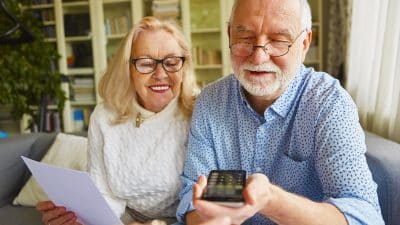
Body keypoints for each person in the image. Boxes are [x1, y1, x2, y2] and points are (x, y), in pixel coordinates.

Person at [176, 0, 385, 225]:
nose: (258, 57)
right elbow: (192, 199)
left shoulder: (329, 103)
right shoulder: (210, 101)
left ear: (304, 43)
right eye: (245, 38)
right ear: (229, 36)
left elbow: (365, 216)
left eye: (278, 41)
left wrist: (271, 200)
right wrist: (209, 217)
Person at [35, 16, 198, 225]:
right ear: (127, 68)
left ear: (184, 67)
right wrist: (80, 219)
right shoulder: (104, 116)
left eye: (172, 62)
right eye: (146, 63)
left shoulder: (200, 110)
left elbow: (203, 198)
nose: (160, 74)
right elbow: (103, 194)